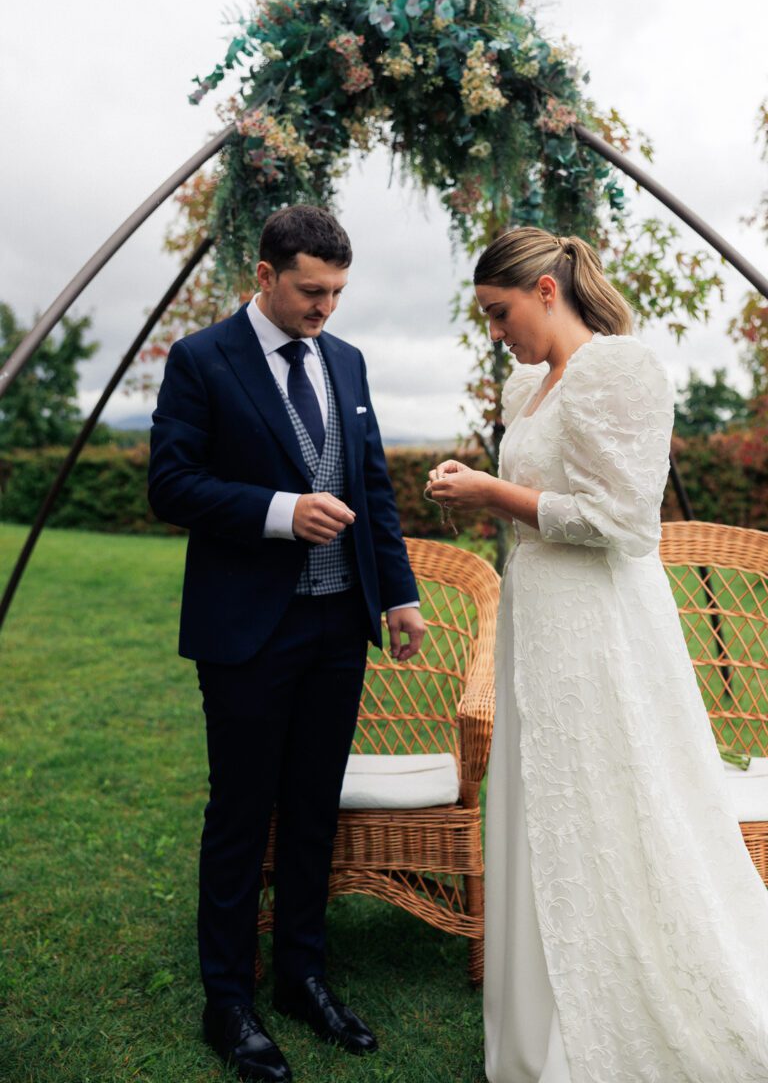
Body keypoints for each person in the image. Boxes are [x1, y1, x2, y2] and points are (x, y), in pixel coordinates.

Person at [426, 226, 768, 1083]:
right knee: (545, 802)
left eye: (501, 314)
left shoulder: (620, 370)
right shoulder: (529, 386)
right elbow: (547, 498)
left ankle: (632, 1010)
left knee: (610, 803)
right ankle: (546, 1015)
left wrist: (491, 492)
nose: (496, 334)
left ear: (547, 290)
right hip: (540, 622)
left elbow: (623, 523)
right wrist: (484, 493)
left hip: (600, 629)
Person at [149, 204, 425, 1083]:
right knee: (241, 817)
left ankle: (304, 974)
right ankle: (228, 1001)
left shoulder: (346, 361)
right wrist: (279, 514)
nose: (325, 308)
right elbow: (172, 484)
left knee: (313, 810)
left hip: (339, 627)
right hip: (247, 632)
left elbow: (371, 486)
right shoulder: (200, 360)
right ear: (263, 276)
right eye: (311, 290)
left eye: (338, 292)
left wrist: (401, 595)